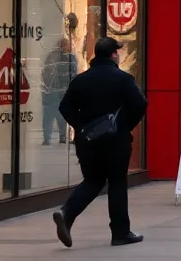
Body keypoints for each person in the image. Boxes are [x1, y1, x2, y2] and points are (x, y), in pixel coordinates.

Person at [52, 37, 148, 248]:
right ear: (114, 54)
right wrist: (124, 125)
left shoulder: (81, 80)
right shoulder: (123, 79)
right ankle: (120, 232)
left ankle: (67, 213)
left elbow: (64, 107)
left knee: (93, 180)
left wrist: (82, 127)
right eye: (118, 52)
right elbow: (140, 104)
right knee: (116, 183)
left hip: (88, 141)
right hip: (116, 141)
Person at [42, 37, 78, 145]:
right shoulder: (62, 57)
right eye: (67, 45)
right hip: (57, 90)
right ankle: (52, 138)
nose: (69, 47)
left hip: (58, 91)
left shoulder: (65, 57)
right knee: (54, 115)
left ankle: (55, 137)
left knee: (55, 115)